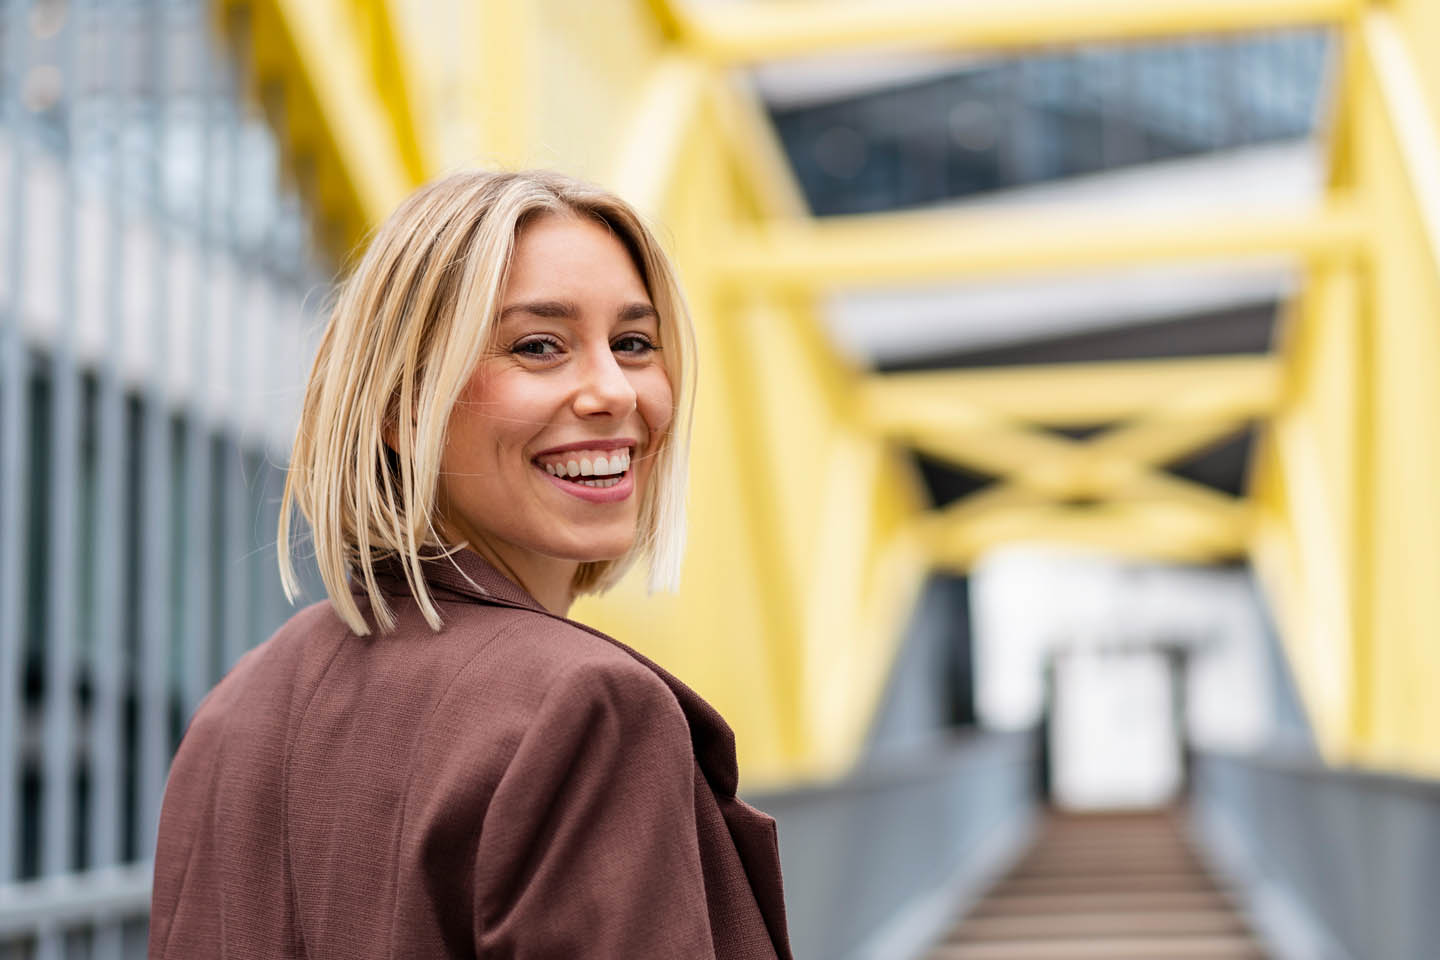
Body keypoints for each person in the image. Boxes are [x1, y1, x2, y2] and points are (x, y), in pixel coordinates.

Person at [147, 170, 792, 959]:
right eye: (538, 346)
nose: (613, 391)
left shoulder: (238, 709)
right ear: (400, 407)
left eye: (634, 342)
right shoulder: (589, 710)